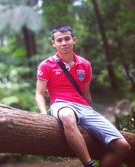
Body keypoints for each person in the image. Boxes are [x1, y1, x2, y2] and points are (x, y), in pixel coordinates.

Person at [35, 24, 131, 167]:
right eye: (59, 40)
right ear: (53, 44)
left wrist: (90, 115)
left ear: (74, 40)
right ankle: (88, 164)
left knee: (123, 147)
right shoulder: (46, 65)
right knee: (67, 116)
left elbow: (86, 93)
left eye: (67, 39)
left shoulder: (85, 64)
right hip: (61, 104)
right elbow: (39, 93)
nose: (64, 43)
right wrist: (43, 113)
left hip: (84, 107)